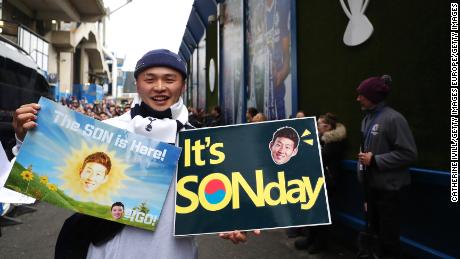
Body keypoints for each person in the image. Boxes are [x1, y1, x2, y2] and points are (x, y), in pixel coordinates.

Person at [12, 49, 257, 259]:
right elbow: (47, 173)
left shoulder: (202, 145)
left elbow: (222, 198)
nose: (159, 87)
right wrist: (25, 138)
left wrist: (235, 222)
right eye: (150, 79)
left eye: (169, 79)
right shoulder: (109, 130)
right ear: (137, 83)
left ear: (182, 85)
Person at [356, 75, 417, 258]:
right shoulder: (366, 119)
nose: (358, 98)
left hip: (389, 191)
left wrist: (375, 160)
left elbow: (409, 154)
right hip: (371, 188)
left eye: (362, 95)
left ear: (373, 97)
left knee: (388, 239)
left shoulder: (394, 119)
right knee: (373, 234)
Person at [294, 113, 347, 253]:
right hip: (318, 180)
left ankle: (320, 243)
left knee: (321, 215)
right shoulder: (323, 140)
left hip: (327, 182)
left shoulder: (333, 142)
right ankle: (311, 239)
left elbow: (318, 159)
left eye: (319, 124)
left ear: (328, 126)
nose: (317, 126)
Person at [266, 0, 290, 119]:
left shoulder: (282, 4)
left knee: (278, 103)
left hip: (278, 67)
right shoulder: (258, 10)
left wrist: (285, 66)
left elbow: (285, 32)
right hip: (265, 70)